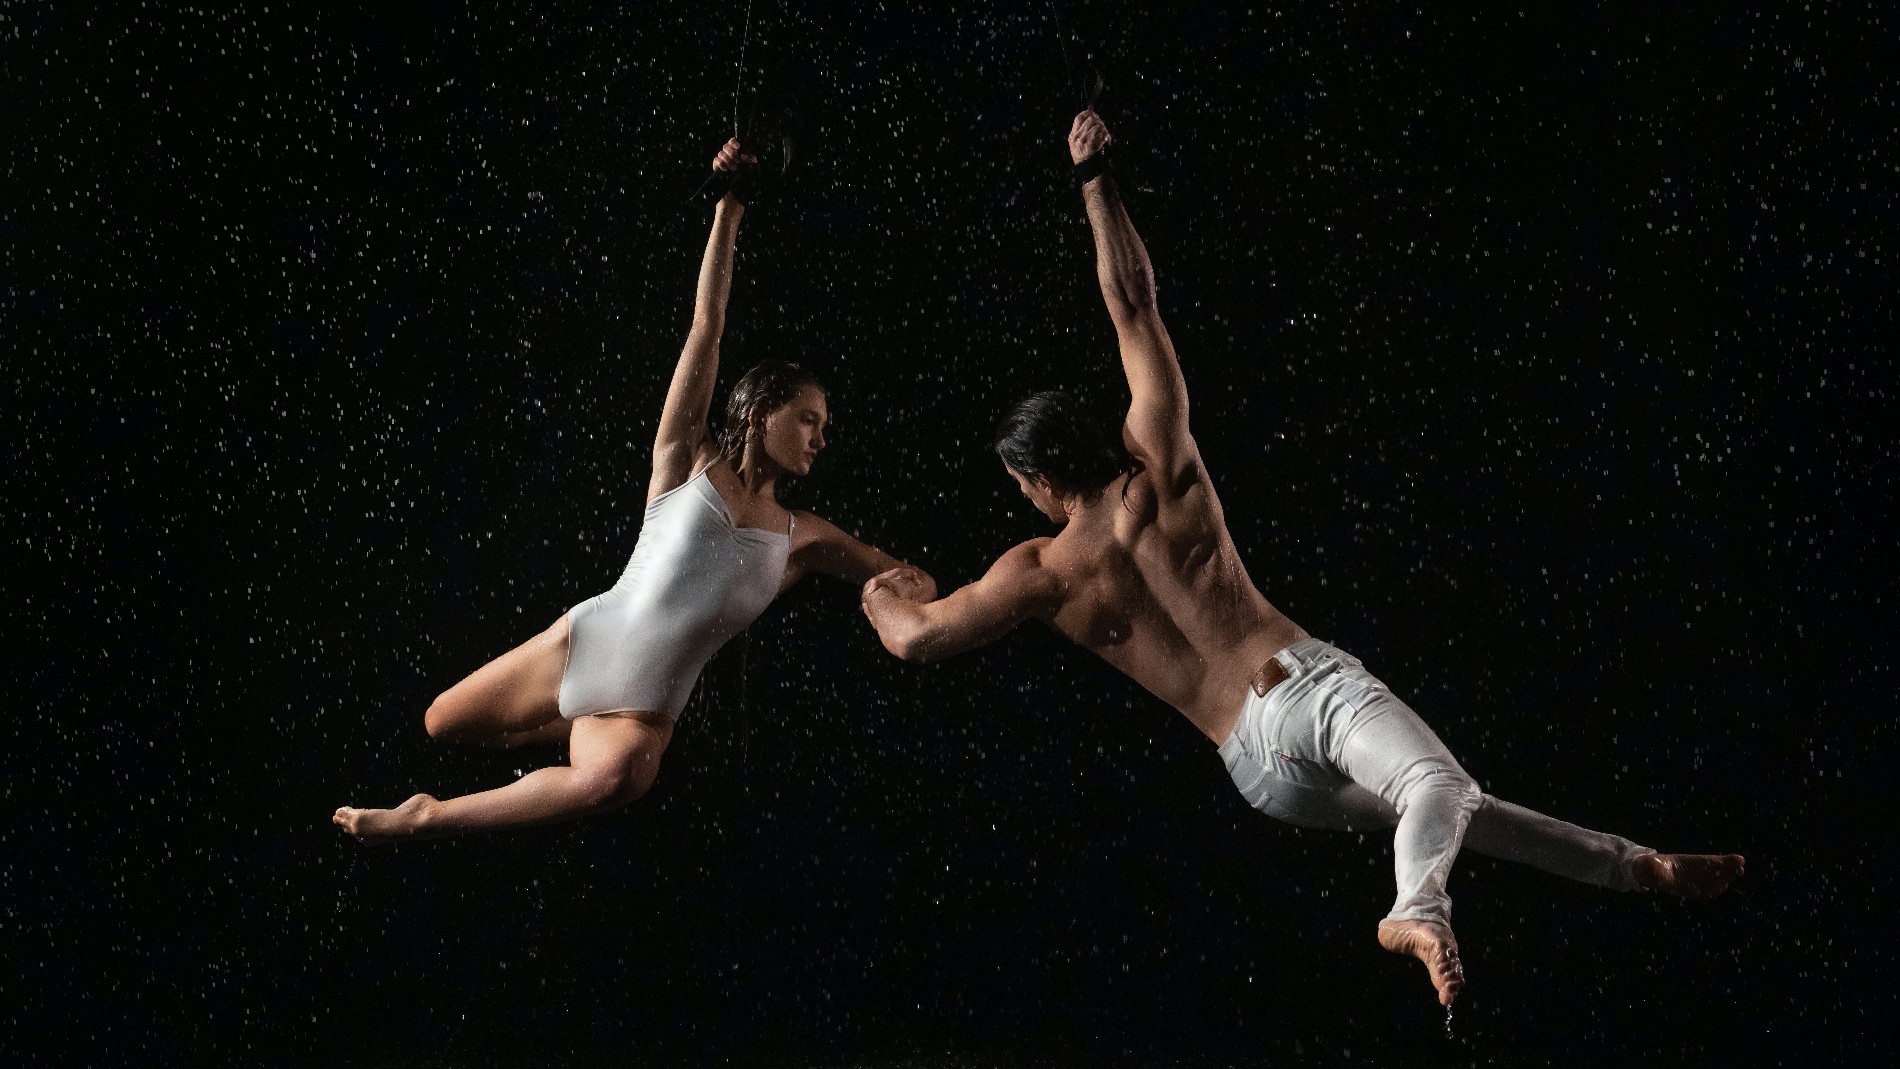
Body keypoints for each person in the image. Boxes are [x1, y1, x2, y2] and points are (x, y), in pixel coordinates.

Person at [858, 110, 1743, 1008]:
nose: (1027, 501)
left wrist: (885, 587)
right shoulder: (1161, 463)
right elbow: (1133, 302)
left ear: (1043, 477)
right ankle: (1417, 911)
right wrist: (1095, 180)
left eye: (1021, 487)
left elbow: (914, 637)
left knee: (1448, 809)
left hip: (1257, 774)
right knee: (1438, 786)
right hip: (1300, 694)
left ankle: (1638, 867)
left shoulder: (1039, 574)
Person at [335, 137, 934, 844]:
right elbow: (707, 324)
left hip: (642, 714)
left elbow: (909, 575)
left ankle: (426, 815)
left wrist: (905, 593)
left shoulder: (803, 537)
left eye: (824, 427)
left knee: (619, 779)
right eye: (809, 419)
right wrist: (730, 206)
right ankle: (566, 723)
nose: (820, 438)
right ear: (760, 410)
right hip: (581, 644)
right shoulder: (686, 460)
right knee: (442, 721)